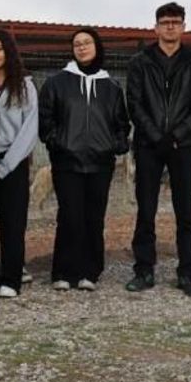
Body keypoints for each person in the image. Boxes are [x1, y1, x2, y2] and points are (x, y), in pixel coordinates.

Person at [126, 2, 191, 298]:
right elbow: (134, 103)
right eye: (165, 22)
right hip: (149, 145)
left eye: (175, 22)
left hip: (183, 145)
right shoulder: (140, 61)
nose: (170, 26)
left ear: (184, 26)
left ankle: (188, 273)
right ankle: (144, 269)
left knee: (185, 212)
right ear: (156, 27)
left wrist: (176, 133)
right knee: (146, 209)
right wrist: (154, 134)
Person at [39, 28, 130, 292]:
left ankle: (90, 271)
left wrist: (116, 145)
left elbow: (121, 123)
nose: (81, 47)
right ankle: (63, 272)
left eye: (87, 42)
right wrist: (57, 143)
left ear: (97, 46)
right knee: (69, 215)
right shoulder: (57, 82)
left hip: (101, 163)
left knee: (94, 216)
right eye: (77, 43)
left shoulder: (111, 86)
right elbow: (46, 119)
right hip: (67, 162)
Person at [0, 29, 39, 298]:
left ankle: (11, 279)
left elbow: (30, 128)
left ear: (8, 50)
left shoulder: (25, 85)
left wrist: (6, 165)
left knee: (13, 223)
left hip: (14, 161)